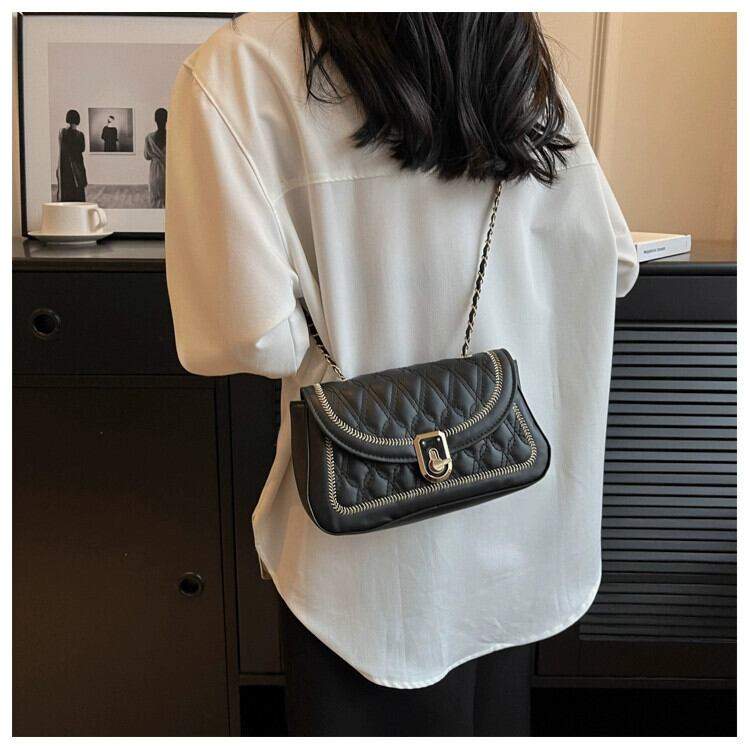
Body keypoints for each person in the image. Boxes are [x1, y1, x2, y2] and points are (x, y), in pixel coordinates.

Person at [164, 13, 639, 736]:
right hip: (517, 519)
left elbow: (250, 338)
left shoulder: (237, 67)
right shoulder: (509, 47)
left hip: (366, 560)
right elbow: (612, 261)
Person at [56, 109, 87, 201]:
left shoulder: (62, 132)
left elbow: (62, 148)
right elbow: (82, 149)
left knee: (67, 190)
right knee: (78, 191)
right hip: (77, 164)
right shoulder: (80, 135)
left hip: (66, 165)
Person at [144, 108, 168, 208]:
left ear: (155, 119)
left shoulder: (149, 138)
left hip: (155, 171)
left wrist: (155, 155)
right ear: (167, 119)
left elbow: (147, 156)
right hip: (168, 170)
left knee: (155, 199)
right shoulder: (172, 136)